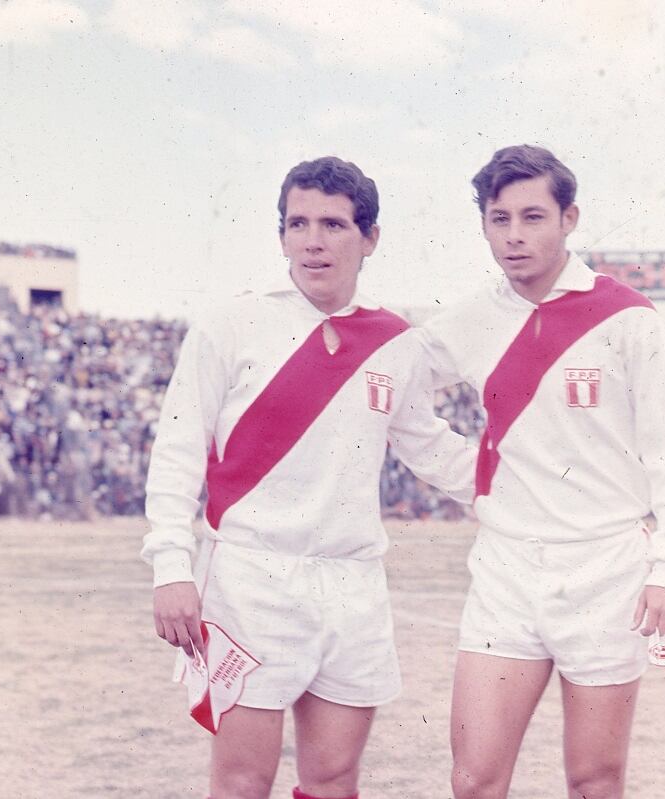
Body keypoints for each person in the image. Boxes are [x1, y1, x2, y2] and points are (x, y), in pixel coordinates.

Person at [142, 156, 476, 799]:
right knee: (243, 781)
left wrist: (542, 489)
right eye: (297, 224)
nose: (313, 241)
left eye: (332, 224)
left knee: (333, 780)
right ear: (281, 235)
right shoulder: (231, 324)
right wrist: (171, 570)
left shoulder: (394, 341)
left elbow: (431, 447)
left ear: (369, 237)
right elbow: (178, 450)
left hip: (352, 584)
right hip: (249, 579)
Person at [423, 144, 665, 799]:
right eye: (500, 219)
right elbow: (394, 392)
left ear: (569, 217)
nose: (515, 235)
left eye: (533, 216)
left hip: (608, 570)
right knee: (473, 779)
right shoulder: (471, 318)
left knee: (595, 779)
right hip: (506, 570)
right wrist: (466, 473)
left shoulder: (627, 317)